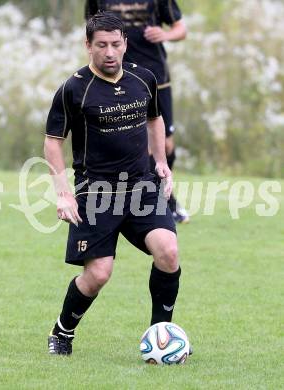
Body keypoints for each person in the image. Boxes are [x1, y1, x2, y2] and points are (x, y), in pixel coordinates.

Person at [45, 12, 182, 356]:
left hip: (141, 187)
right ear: (87, 45)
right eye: (101, 45)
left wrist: (161, 163)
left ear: (125, 44)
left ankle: (160, 333)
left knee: (168, 252)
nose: (109, 52)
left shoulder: (144, 78)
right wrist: (63, 195)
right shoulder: (74, 89)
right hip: (96, 194)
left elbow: (154, 118)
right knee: (99, 275)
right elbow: (52, 142)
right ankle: (63, 331)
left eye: (116, 44)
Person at [85, 0, 190, 223]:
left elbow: (181, 29)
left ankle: (162, 196)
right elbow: (90, 31)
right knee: (130, 140)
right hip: (117, 78)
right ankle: (153, 201)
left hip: (156, 78)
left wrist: (165, 35)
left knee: (166, 145)